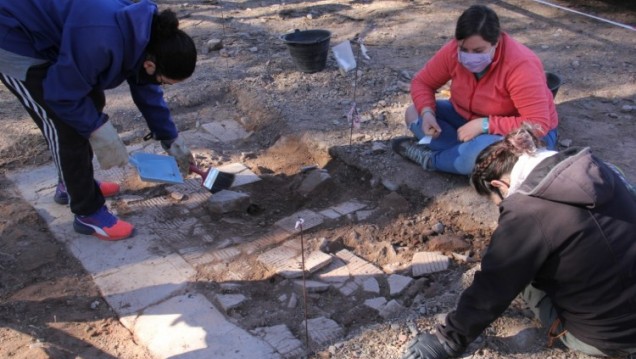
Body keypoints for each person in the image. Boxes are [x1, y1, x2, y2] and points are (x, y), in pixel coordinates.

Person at [401, 125, 636, 359]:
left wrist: (448, 340)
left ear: (500, 186)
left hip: (610, 336)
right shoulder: (597, 167)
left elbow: (494, 286)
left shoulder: (527, 211)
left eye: (497, 204)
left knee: (521, 267)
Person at [0, 0, 197, 241]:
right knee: (65, 126)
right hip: (13, 36)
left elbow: (147, 89)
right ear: (150, 64)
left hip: (55, 34)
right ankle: (87, 213)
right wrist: (97, 128)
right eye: (165, 81)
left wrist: (170, 138)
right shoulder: (102, 41)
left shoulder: (146, 37)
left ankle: (73, 185)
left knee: (90, 104)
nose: (161, 85)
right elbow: (60, 95)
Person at [392, 4, 559, 176]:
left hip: (517, 132)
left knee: (488, 152)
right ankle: (462, 157)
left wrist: (486, 125)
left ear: (496, 42)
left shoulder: (520, 66)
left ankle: (432, 159)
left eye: (479, 51)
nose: (470, 56)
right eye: (464, 50)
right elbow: (422, 82)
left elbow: (538, 124)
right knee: (414, 112)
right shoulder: (452, 52)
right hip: (464, 119)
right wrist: (427, 113)